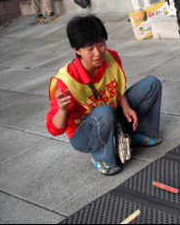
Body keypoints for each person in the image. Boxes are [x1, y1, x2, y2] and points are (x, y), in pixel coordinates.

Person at [47, 15, 162, 175]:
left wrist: (126, 106)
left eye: (101, 44)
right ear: (77, 50)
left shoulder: (111, 57)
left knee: (152, 84)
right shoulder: (65, 82)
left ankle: (137, 134)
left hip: (112, 116)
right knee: (104, 111)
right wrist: (62, 110)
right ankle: (100, 157)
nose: (98, 53)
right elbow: (54, 130)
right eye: (89, 49)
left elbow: (118, 87)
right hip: (84, 135)